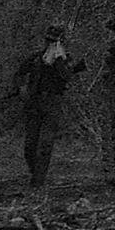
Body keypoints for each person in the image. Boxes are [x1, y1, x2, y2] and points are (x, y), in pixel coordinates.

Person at [14, 24, 76, 191]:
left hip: (53, 103)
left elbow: (67, 78)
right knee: (30, 145)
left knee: (45, 144)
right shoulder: (36, 58)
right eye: (49, 41)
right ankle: (35, 173)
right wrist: (21, 90)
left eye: (54, 42)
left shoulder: (64, 60)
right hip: (35, 103)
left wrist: (59, 62)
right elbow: (19, 73)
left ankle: (38, 182)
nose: (50, 44)